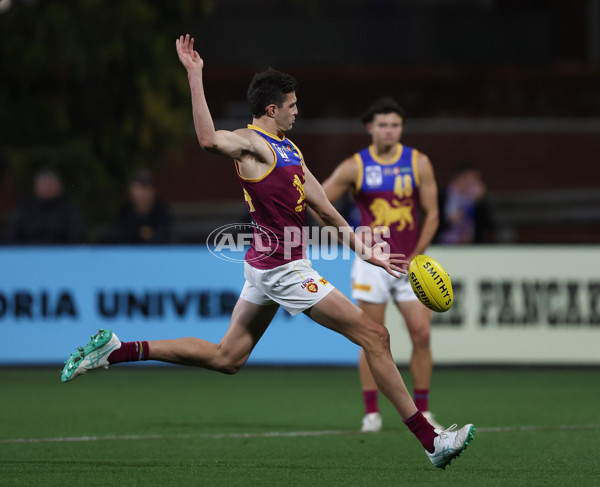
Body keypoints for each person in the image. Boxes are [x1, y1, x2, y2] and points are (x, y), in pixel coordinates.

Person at [61, 35, 474, 469]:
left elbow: (325, 209)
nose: (298, 110)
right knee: (376, 335)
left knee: (227, 358)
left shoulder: (290, 149)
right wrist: (195, 75)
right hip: (283, 268)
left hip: (269, 264)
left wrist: (364, 249)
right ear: (273, 109)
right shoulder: (252, 143)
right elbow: (206, 139)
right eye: (292, 104)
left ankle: (117, 349)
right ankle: (432, 442)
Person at [319, 97, 441, 433]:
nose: (390, 130)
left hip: (409, 265)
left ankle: (425, 409)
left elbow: (432, 213)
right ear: (370, 128)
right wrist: (352, 237)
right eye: (383, 124)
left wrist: (418, 254)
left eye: (396, 125)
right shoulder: (355, 166)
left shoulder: (418, 162)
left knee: (422, 334)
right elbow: (319, 200)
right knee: (372, 338)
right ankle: (372, 412)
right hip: (373, 264)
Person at [4, 168, 85, 244]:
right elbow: (11, 234)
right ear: (35, 187)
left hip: (60, 254)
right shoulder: (24, 209)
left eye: (50, 184)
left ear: (59, 186)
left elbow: (77, 236)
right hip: (28, 254)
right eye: (43, 184)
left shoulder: (69, 210)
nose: (47, 188)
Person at [103, 168, 173, 244]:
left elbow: (166, 238)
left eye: (146, 188)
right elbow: (116, 238)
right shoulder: (124, 212)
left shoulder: (162, 212)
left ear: (153, 190)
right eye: (138, 188)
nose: (142, 193)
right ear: (130, 190)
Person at [435, 164, 494, 244]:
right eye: (473, 180)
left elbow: (488, 226)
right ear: (461, 179)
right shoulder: (442, 197)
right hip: (443, 245)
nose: (477, 183)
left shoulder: (477, 201)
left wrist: (478, 203)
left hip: (471, 246)